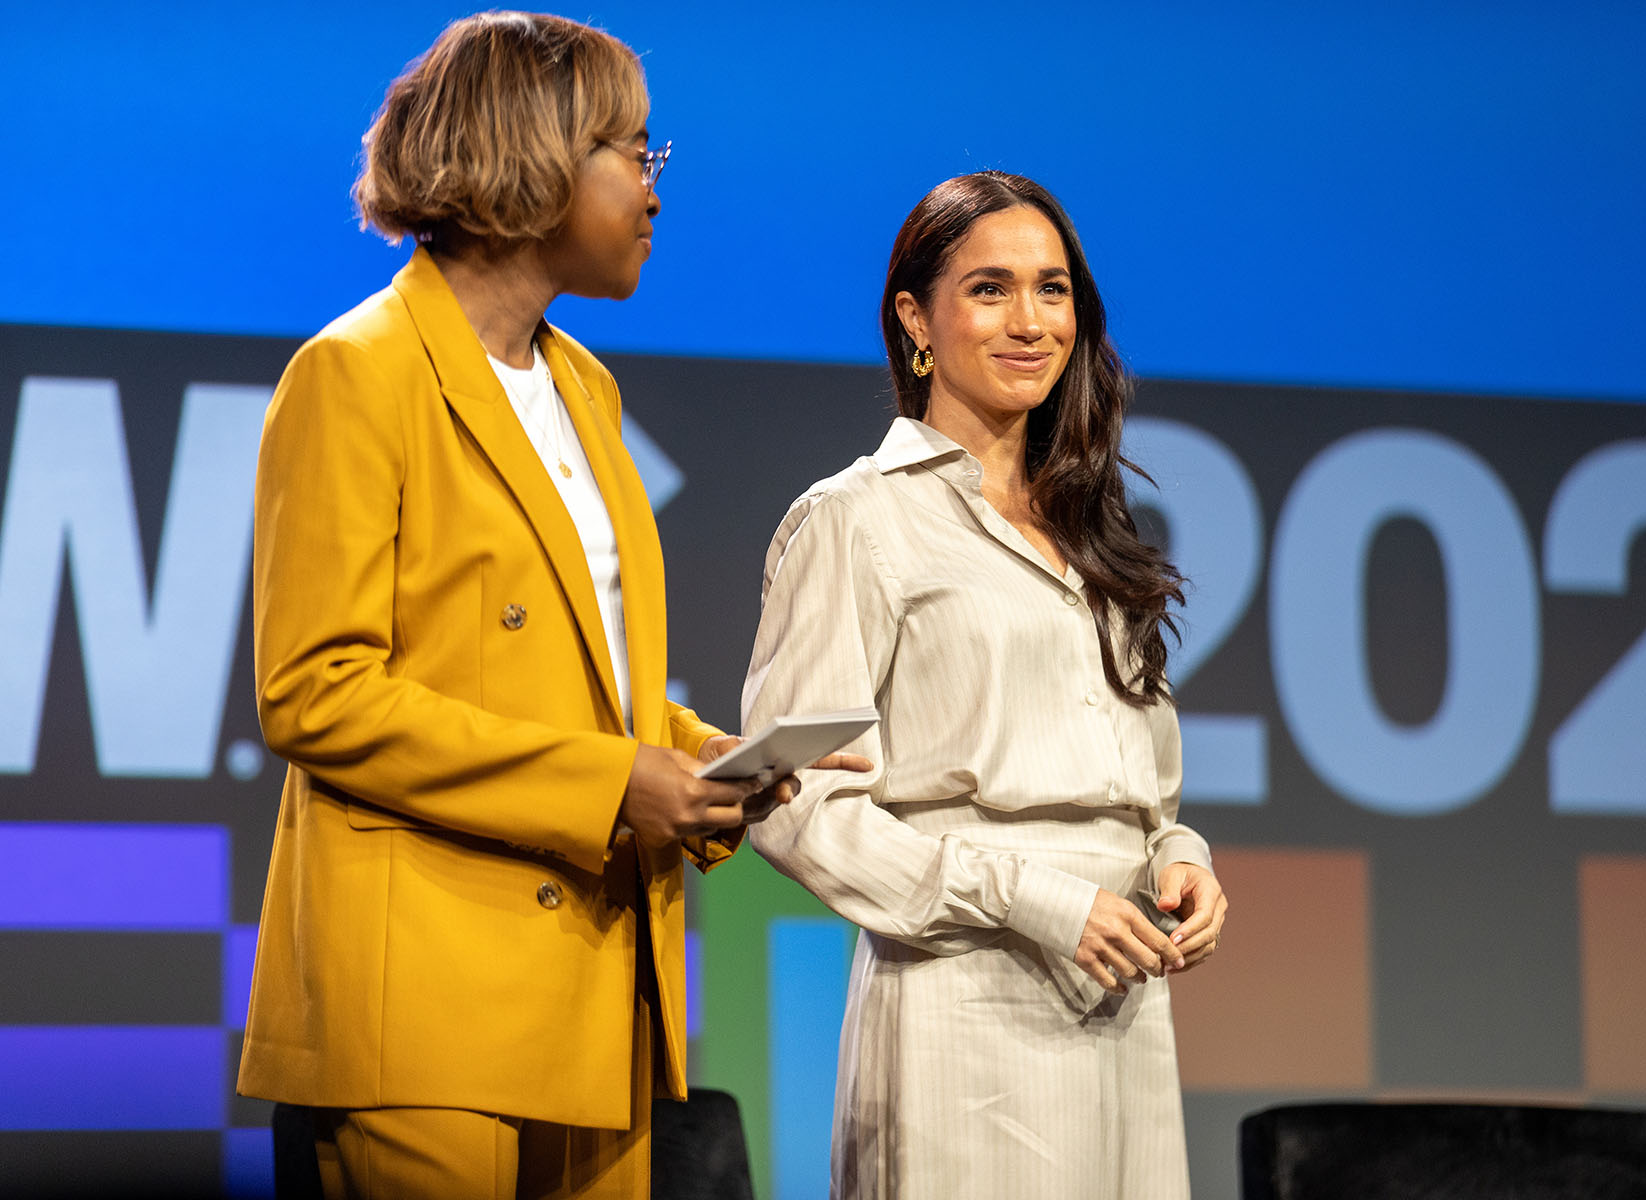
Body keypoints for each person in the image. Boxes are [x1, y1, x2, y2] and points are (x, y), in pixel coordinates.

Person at [238, 13, 860, 1198]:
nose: (654, 186)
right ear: (530, 160)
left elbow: (578, 682)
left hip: (594, 989)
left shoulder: (586, 387)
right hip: (419, 1005)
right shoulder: (355, 373)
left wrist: (709, 757)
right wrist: (617, 785)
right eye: (631, 149)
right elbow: (315, 693)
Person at [741, 171, 1228, 1198]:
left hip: (1125, 999)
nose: (1031, 321)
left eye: (1053, 290)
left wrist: (1180, 857)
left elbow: (1146, 780)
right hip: (964, 1005)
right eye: (990, 289)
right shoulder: (855, 520)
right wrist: (1035, 898)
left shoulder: (1092, 529)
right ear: (916, 318)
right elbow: (798, 809)